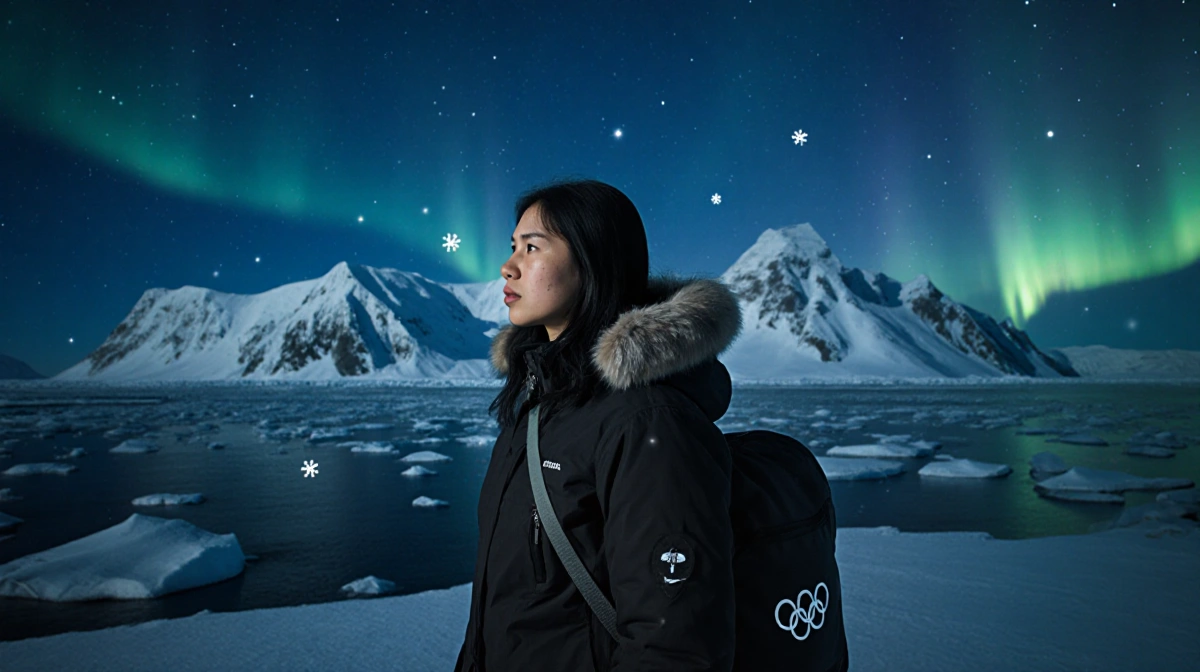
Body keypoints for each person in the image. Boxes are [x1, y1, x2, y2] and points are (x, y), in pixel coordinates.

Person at [454, 178, 744, 671]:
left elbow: (672, 645)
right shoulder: (540, 403)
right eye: (511, 247)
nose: (508, 266)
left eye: (532, 247)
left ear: (592, 260)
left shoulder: (648, 422)